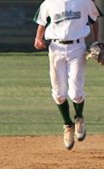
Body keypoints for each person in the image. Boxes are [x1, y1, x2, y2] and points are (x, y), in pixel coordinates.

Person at [34, 0, 101, 150]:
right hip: (56, 48)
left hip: (78, 47)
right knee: (58, 94)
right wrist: (38, 38)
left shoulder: (84, 1)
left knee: (76, 93)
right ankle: (68, 125)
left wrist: (96, 41)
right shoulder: (49, 3)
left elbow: (95, 19)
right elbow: (42, 22)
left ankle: (79, 118)